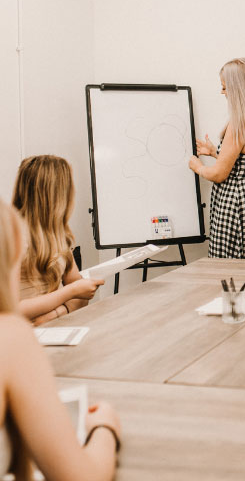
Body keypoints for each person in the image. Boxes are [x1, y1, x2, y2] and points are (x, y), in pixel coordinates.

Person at [0, 198, 120, 481]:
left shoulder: (61, 239)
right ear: (16, 251)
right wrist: (105, 427)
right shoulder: (10, 336)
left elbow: (78, 290)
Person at [189, 58, 245, 259]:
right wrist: (214, 153)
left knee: (228, 264)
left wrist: (197, 166)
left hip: (234, 204)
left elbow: (219, 174)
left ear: (237, 90)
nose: (222, 92)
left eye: (224, 87)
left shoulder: (239, 125)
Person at [12, 156, 104, 326]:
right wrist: (70, 293)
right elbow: (11, 309)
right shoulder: (12, 234)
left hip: (53, 327)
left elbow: (80, 295)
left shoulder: (58, 234)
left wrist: (56, 313)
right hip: (21, 335)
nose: (73, 192)